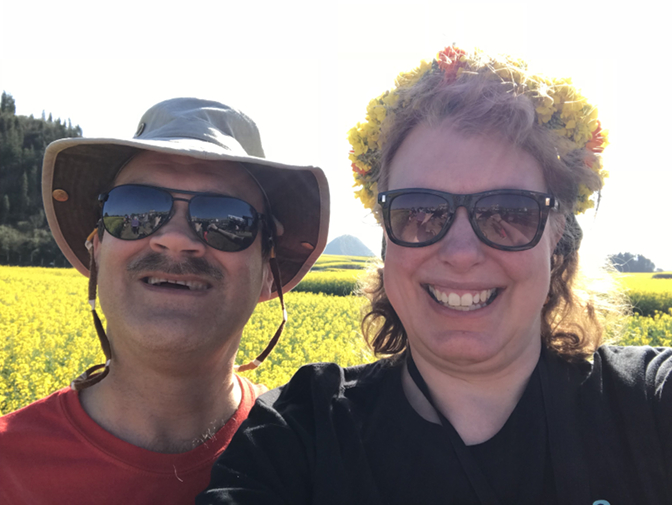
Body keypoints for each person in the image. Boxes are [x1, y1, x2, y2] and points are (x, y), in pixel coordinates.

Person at [198, 47, 672, 504]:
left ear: (558, 237)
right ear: (386, 241)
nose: (461, 253)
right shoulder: (299, 434)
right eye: (419, 212)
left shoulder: (649, 404)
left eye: (509, 211)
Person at [0, 98, 329, 504]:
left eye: (227, 221)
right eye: (135, 209)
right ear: (96, 251)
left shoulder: (315, 465)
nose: (174, 238)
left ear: (268, 274)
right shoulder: (7, 465)